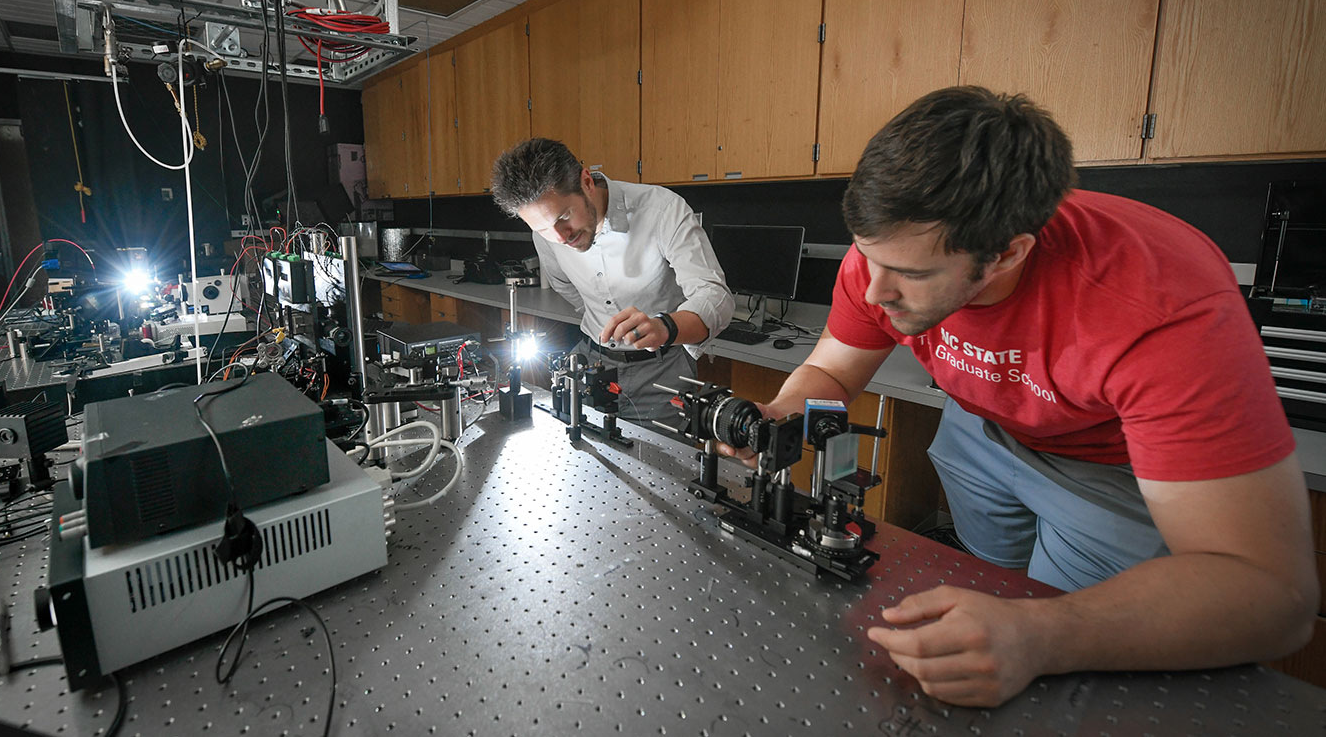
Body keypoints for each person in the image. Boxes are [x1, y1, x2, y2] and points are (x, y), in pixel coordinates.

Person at [733, 87, 1317, 707]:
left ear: (1009, 252)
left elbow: (1272, 596)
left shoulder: (1163, 309)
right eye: (867, 257)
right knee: (987, 582)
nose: (875, 293)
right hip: (978, 424)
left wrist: (1041, 635)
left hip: (1102, 465)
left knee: (1050, 641)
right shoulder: (889, 254)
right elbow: (831, 373)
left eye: (914, 275)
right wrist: (779, 417)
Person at [490, 138, 734, 421]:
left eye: (564, 217)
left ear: (586, 181)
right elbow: (564, 286)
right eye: (543, 228)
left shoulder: (662, 209)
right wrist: (601, 318)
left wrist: (665, 327)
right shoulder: (546, 236)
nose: (560, 237)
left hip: (661, 374)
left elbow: (715, 295)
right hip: (588, 365)